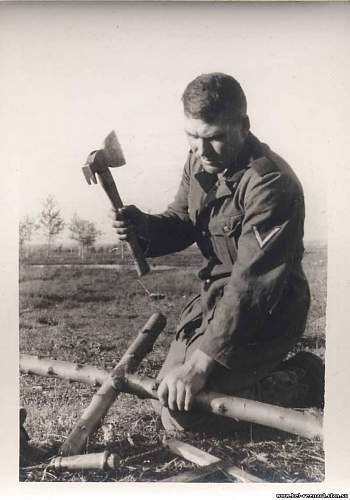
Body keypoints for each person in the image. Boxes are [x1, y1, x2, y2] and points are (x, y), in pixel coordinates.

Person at [113, 73, 324, 433]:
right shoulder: (199, 161)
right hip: (213, 305)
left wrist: (199, 365)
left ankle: (306, 378)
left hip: (266, 314)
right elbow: (182, 220)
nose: (201, 149)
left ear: (244, 126)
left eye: (214, 138)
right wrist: (143, 227)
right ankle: (251, 376)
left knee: (186, 413)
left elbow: (251, 287)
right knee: (171, 395)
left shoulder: (270, 184)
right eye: (192, 137)